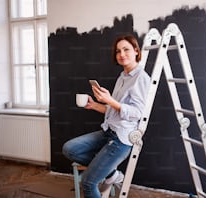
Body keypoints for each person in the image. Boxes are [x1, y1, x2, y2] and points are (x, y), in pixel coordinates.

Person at [62, 34, 150, 198]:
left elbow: (138, 114)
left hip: (122, 139)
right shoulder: (122, 76)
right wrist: (95, 105)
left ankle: (107, 173)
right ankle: (111, 174)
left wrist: (110, 100)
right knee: (69, 149)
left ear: (136, 51)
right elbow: (114, 110)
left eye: (126, 49)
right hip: (108, 131)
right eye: (118, 51)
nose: (121, 54)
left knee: (88, 182)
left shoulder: (141, 78)